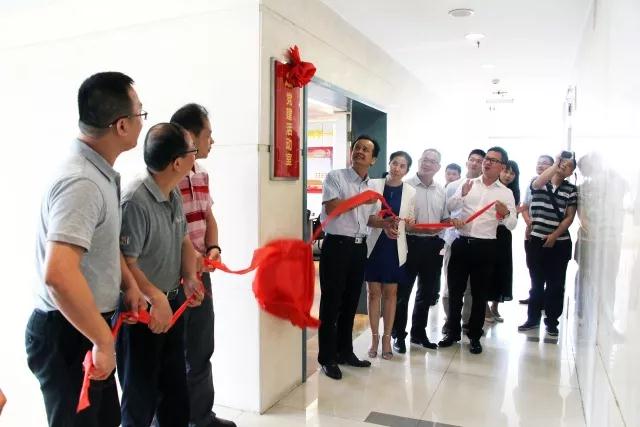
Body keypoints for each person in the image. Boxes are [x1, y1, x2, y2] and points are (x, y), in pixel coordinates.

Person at [25, 72, 146, 427]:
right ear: (121, 125)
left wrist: (128, 284)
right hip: (68, 332)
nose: (142, 121)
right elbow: (59, 275)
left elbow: (101, 245)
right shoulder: (82, 182)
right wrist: (103, 342)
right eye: (140, 113)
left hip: (87, 326)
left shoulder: (98, 173)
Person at [118, 123, 204, 426]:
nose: (196, 155)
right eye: (193, 150)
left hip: (171, 306)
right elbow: (126, 262)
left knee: (175, 396)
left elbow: (183, 240)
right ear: (177, 162)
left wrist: (190, 277)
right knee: (139, 401)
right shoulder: (135, 201)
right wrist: (155, 297)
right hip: (142, 315)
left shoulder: (172, 191)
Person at [170, 105, 235, 427]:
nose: (212, 140)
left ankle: (201, 416)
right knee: (172, 355)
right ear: (190, 137)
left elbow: (208, 216)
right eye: (208, 134)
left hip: (201, 275)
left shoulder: (201, 173)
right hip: (174, 279)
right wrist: (189, 264)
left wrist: (213, 247)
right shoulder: (168, 175)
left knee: (201, 348)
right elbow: (170, 231)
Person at [317, 135, 384, 380]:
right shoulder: (336, 177)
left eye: (366, 150)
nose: (360, 152)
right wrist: (360, 200)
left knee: (350, 303)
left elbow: (370, 219)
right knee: (331, 303)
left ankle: (345, 352)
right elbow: (332, 207)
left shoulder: (373, 187)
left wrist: (386, 223)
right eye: (357, 147)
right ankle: (327, 357)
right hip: (337, 246)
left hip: (358, 248)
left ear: (373, 159)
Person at [440, 147, 517, 354]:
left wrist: (505, 213)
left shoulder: (506, 193)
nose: (487, 162)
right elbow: (450, 206)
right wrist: (461, 195)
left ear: (502, 166)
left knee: (479, 294)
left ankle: (474, 336)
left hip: (486, 247)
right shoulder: (469, 184)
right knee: (454, 292)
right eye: (486, 159)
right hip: (461, 243)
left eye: (493, 160)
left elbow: (512, 224)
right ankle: (452, 332)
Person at [392, 149, 447, 353]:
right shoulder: (406, 187)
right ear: (419, 161)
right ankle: (398, 335)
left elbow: (444, 218)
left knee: (426, 292)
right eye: (424, 159)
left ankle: (418, 333)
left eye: (432, 161)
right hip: (409, 243)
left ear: (438, 167)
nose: (427, 163)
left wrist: (449, 223)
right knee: (403, 292)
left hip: (433, 246)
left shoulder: (441, 190)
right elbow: (399, 218)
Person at [518, 152, 578, 336]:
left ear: (571, 172)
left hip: (560, 243)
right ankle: (532, 319)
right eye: (562, 162)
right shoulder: (539, 182)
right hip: (536, 241)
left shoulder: (571, 190)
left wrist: (554, 236)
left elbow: (570, 216)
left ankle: (552, 322)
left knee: (556, 285)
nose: (563, 166)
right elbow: (537, 184)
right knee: (536, 283)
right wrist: (555, 163)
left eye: (568, 165)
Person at [365, 151, 415, 360]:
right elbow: (365, 216)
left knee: (391, 294)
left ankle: (387, 339)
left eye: (402, 166)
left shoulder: (410, 191)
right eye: (394, 163)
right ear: (389, 164)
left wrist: (410, 222)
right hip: (374, 245)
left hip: (395, 246)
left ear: (407, 170)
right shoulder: (373, 184)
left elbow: (410, 220)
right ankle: (374, 338)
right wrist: (381, 223)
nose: (397, 168)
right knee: (373, 293)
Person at [440, 149, 485, 335]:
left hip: (476, 242)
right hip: (453, 239)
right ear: (466, 163)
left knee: (471, 287)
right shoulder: (453, 186)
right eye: (472, 160)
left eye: (479, 161)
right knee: (450, 285)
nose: (474, 163)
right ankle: (450, 320)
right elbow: (445, 212)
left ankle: (467, 322)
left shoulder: (485, 188)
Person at [486, 160, 520, 322]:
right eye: (506, 171)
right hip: (489, 231)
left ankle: (495, 306)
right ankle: (485, 308)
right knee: (487, 270)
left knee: (502, 270)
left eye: (512, 173)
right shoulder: (490, 188)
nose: (508, 175)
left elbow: (513, 219)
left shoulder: (513, 192)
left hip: (504, 234)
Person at [519, 154, 554, 304]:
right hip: (532, 233)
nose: (540, 165)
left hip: (551, 234)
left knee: (548, 269)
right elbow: (525, 206)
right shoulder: (532, 183)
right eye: (538, 163)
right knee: (533, 267)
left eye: (544, 163)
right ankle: (535, 296)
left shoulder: (556, 184)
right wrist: (529, 223)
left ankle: (544, 298)